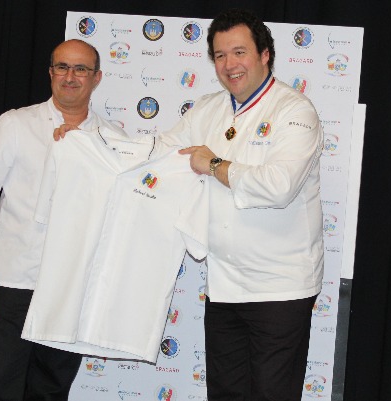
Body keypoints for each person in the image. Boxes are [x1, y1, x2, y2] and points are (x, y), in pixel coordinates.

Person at [158, 9, 324, 401]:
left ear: (265, 54)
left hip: (279, 288)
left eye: (239, 52)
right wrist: (90, 140)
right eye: (220, 55)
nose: (229, 64)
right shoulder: (208, 109)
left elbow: (279, 186)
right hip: (225, 286)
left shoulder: (295, 110)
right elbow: (159, 153)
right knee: (225, 394)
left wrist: (214, 164)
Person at [0, 39, 121, 401]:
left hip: (70, 290)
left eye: (81, 69)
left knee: (52, 390)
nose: (70, 76)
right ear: (50, 73)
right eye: (62, 67)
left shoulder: (113, 139)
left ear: (97, 78)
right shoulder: (15, 124)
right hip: (13, 282)